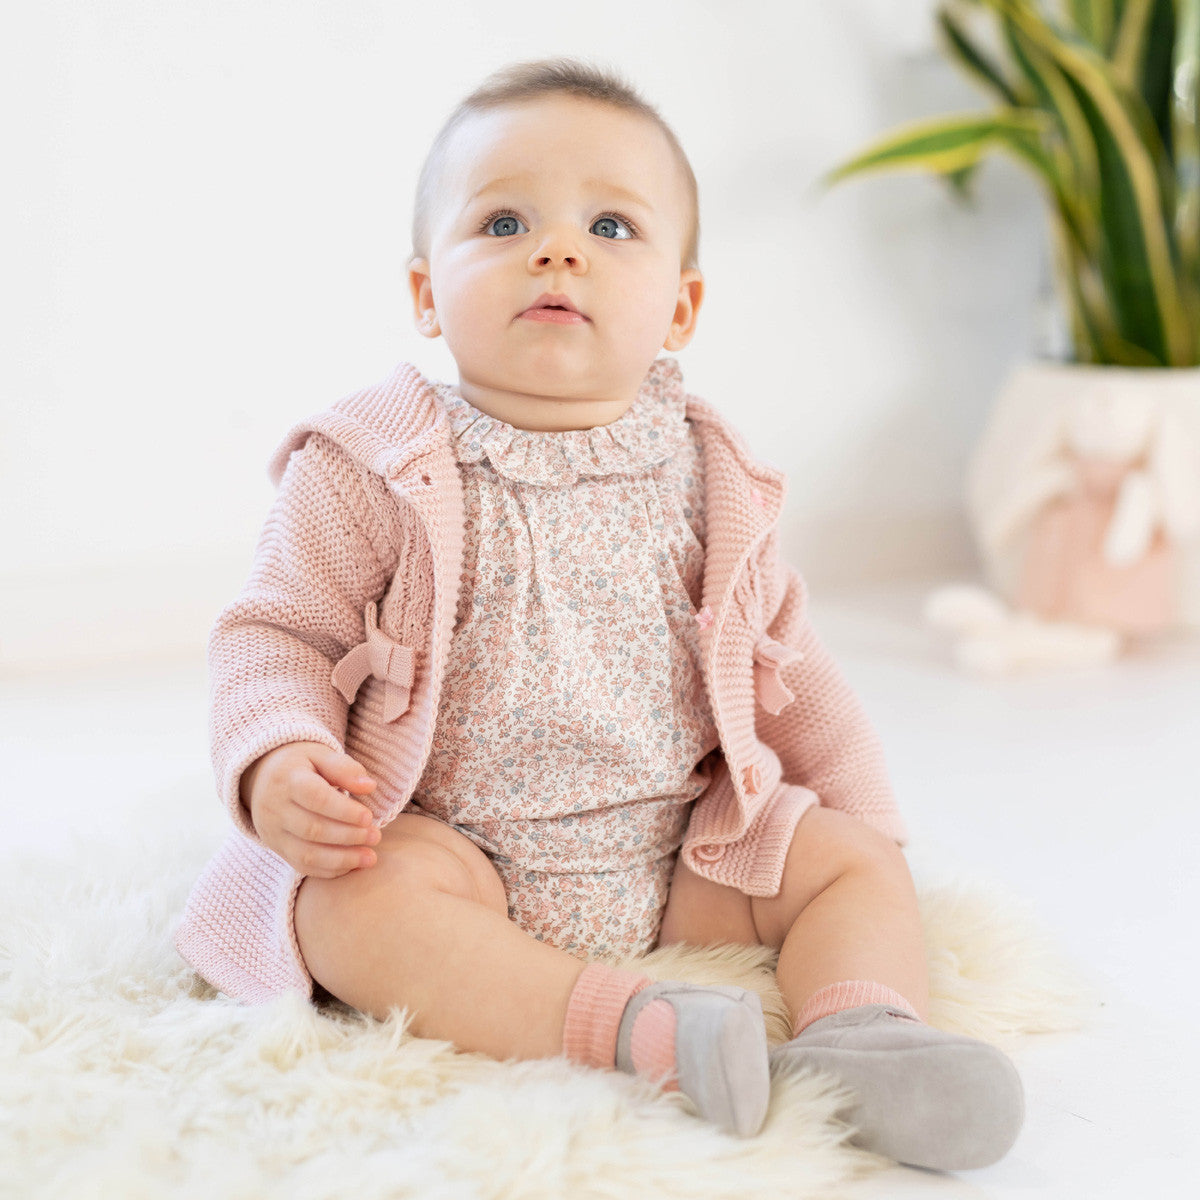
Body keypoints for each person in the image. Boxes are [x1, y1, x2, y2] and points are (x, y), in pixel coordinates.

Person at [175, 57, 1023, 1167]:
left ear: (681, 308)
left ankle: (864, 1035)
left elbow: (796, 669)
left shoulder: (713, 477)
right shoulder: (369, 466)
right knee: (348, 908)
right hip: (457, 849)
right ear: (426, 291)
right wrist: (277, 758)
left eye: (611, 226)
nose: (558, 251)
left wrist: (869, 839)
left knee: (847, 861)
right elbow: (276, 634)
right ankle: (634, 1029)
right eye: (505, 221)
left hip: (678, 854)